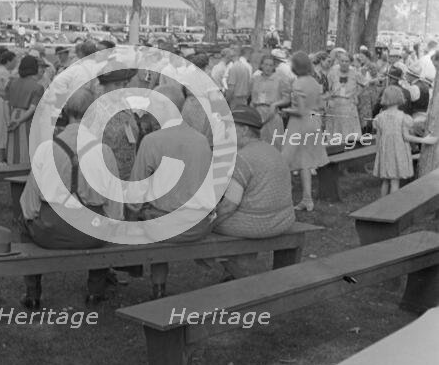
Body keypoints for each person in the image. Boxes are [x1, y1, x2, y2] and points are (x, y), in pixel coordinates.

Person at [19, 89, 124, 307]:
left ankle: (32, 293)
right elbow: (114, 205)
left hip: (50, 232)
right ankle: (95, 290)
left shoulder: (46, 149)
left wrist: (30, 220)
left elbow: (29, 203)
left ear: (66, 113)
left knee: (23, 224)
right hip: (91, 233)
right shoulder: (104, 151)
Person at [127, 85, 215, 298]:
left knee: (152, 214)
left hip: (163, 227)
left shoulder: (152, 141)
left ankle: (158, 288)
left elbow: (135, 194)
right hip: (198, 225)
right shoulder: (201, 140)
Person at [213, 105, 295, 278]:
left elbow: (228, 206)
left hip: (257, 224)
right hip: (283, 220)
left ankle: (236, 274)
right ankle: (236, 270)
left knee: (200, 227)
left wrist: (208, 222)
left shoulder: (243, 158)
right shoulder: (273, 150)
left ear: (243, 130)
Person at [280, 51, 329, 211]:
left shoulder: (298, 83)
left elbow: (300, 111)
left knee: (285, 160)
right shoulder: (315, 82)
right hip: (314, 122)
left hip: (299, 124)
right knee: (305, 162)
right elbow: (321, 105)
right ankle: (307, 199)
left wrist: (286, 110)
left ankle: (280, 198)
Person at [372, 85, 437, 196]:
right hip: (397, 153)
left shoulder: (379, 117)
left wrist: (378, 152)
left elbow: (378, 138)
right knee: (395, 181)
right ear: (400, 98)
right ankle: (393, 208)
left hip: (384, 152)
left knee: (386, 181)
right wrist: (424, 140)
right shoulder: (403, 118)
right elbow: (406, 137)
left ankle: (381, 206)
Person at [7, 55, 45, 165]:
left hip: (13, 114)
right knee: (27, 145)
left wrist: (11, 118)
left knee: (14, 147)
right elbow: (32, 108)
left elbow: (7, 102)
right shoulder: (38, 87)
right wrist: (19, 121)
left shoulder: (12, 82)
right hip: (27, 119)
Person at [251, 53, 289, 149]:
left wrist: (276, 104)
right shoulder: (255, 79)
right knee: (258, 143)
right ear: (261, 65)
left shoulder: (280, 79)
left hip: (272, 113)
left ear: (274, 67)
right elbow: (252, 98)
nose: (268, 67)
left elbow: (287, 98)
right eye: (266, 64)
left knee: (274, 143)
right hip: (258, 114)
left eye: (271, 65)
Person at [325, 52, 362, 145]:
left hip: (349, 105)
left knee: (349, 136)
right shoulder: (333, 71)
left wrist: (356, 94)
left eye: (347, 61)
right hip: (335, 105)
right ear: (339, 61)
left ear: (350, 62)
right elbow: (326, 88)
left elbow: (364, 84)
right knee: (334, 136)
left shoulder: (355, 72)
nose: (344, 63)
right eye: (342, 61)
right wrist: (329, 99)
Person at [0, 49, 17, 165]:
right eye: (14, 61)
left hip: (0, 100)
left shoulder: (1, 70)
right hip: (1, 101)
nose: (16, 64)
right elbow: (8, 88)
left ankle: (0, 157)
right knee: (1, 129)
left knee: (0, 128)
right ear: (8, 61)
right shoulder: (3, 72)